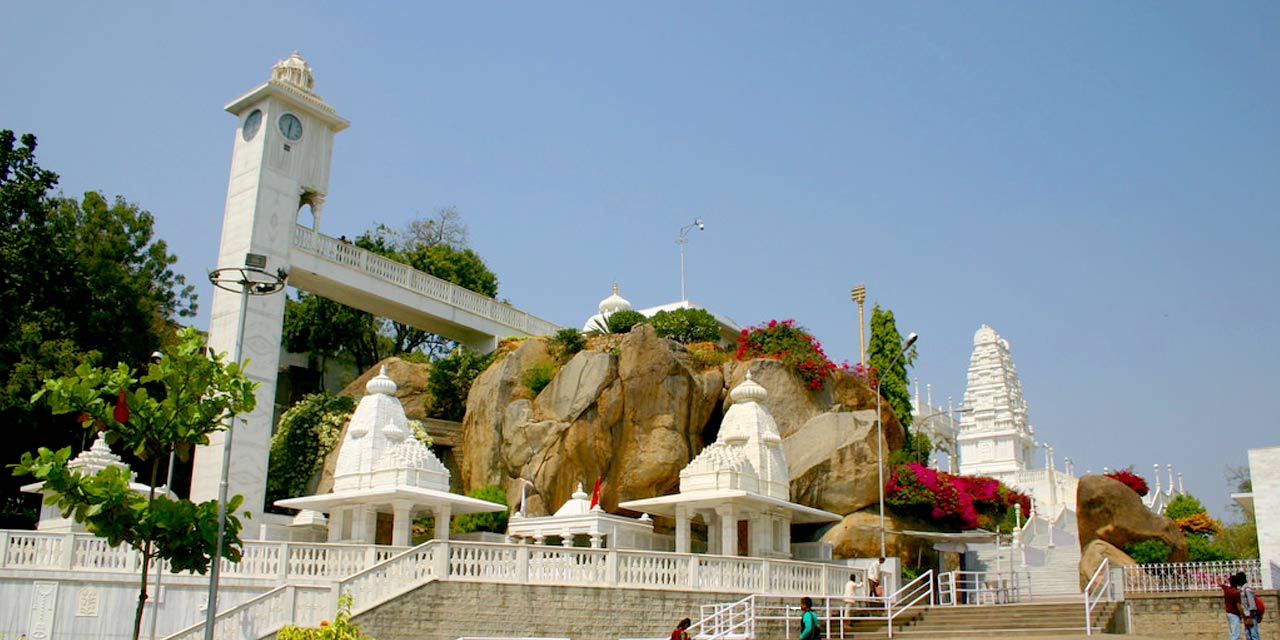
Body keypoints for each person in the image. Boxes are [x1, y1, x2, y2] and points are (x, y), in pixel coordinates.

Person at [1220, 572, 1248, 640]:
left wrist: (1218, 578)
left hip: (1229, 613)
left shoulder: (1227, 589)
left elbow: (1220, 584)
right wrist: (1244, 616)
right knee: (1235, 633)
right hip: (1234, 614)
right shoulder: (1236, 592)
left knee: (1232, 632)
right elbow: (1238, 605)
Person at [1240, 573, 1261, 640]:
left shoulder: (1247, 590)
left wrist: (1250, 617)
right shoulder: (1242, 590)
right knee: (1248, 635)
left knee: (1254, 634)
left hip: (1251, 615)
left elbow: (1252, 605)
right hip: (1246, 615)